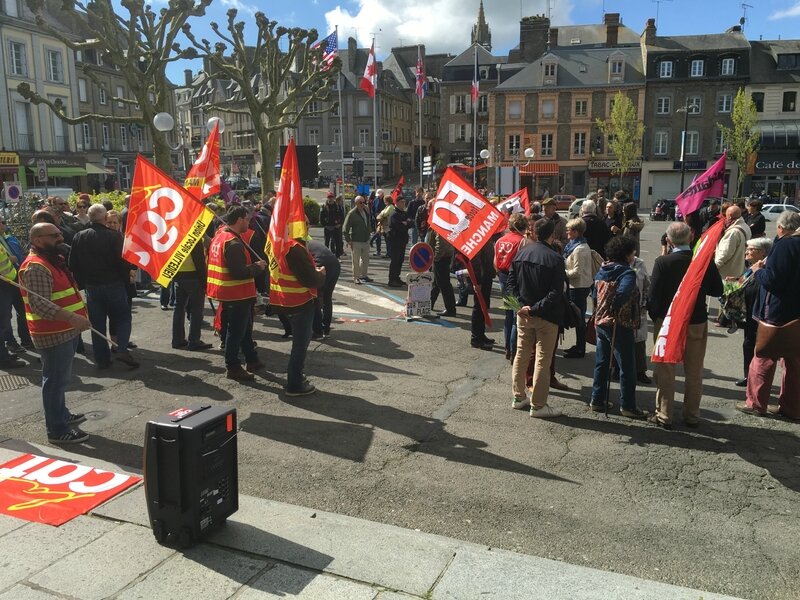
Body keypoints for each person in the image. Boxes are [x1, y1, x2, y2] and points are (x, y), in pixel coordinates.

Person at [18, 223, 92, 443]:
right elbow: (41, 306)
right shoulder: (37, 267)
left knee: (60, 379)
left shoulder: (51, 259)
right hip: (53, 333)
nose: (61, 237)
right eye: (55, 235)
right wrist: (72, 317)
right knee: (55, 381)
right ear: (39, 240)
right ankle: (57, 429)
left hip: (66, 331)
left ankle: (61, 414)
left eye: (60, 233)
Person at [648, 222, 723, 429]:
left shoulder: (663, 262)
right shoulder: (703, 261)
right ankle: (692, 415)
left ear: (669, 240)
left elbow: (653, 298)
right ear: (691, 238)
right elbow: (718, 290)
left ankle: (664, 414)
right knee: (694, 370)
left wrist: (656, 318)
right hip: (696, 320)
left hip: (668, 321)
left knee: (666, 369)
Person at [735, 211, 800, 419]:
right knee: (794, 360)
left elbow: (773, 280)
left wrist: (757, 270)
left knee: (763, 357)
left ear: (781, 228)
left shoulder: (784, 245)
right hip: (796, 312)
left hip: (777, 311)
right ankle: (792, 407)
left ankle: (755, 403)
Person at [69, 204, 139, 369]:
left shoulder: (79, 236)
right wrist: (127, 281)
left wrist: (83, 281)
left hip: (92, 287)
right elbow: (123, 263)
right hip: (114, 284)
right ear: (104, 218)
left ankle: (102, 359)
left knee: (97, 323)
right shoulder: (113, 236)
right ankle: (121, 349)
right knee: (123, 318)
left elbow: (72, 263)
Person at [507, 218, 564, 418]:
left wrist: (521, 307)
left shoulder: (521, 254)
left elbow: (510, 285)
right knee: (542, 359)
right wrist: (534, 309)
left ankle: (518, 396)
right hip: (545, 316)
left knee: (521, 355)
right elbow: (556, 292)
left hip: (524, 313)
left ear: (534, 232)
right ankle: (538, 405)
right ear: (552, 235)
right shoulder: (555, 258)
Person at [590, 235, 648, 418]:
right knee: (627, 366)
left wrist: (603, 308)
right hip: (619, 324)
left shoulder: (603, 270)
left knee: (602, 362)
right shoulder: (626, 272)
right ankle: (628, 406)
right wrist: (614, 307)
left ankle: (597, 400)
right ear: (626, 254)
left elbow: (594, 294)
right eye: (632, 252)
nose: (634, 254)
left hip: (601, 322)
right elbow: (624, 291)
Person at [206, 205, 266, 380]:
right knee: (236, 331)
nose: (249, 223)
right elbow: (239, 272)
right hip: (236, 293)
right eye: (247, 220)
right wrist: (257, 267)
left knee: (244, 329)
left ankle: (251, 358)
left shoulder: (221, 237)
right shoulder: (233, 243)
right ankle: (232, 366)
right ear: (240, 219)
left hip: (231, 292)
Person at [269, 228, 326, 396]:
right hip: (300, 302)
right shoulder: (294, 248)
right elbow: (309, 279)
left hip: (284, 300)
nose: (306, 227)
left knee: (298, 343)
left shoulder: (277, 245)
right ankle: (295, 383)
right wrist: (321, 274)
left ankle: (296, 378)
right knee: (300, 345)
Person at [735, 237, 773, 387]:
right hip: (749, 313)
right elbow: (745, 280)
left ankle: (753, 378)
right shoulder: (753, 266)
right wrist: (736, 280)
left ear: (762, 253)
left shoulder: (763, 269)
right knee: (748, 344)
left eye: (751, 249)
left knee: (753, 345)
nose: (747, 252)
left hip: (758, 315)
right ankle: (748, 376)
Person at [494, 214, 528, 359]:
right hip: (517, 280)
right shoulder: (523, 242)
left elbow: (495, 263)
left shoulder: (500, 240)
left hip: (502, 277)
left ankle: (507, 347)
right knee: (516, 316)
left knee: (508, 314)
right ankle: (514, 350)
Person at [0, 217, 33, 355]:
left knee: (23, 310)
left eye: (4, 222)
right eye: (1, 222)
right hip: (3, 284)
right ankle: (10, 344)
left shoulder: (7, 238)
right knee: (5, 317)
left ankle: (25, 340)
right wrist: (10, 259)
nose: (4, 225)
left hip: (15, 280)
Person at [172, 240, 212, 351]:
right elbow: (199, 261)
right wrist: (204, 281)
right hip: (194, 277)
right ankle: (194, 341)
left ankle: (177, 339)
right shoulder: (193, 237)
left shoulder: (176, 236)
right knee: (196, 310)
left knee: (178, 308)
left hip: (178, 276)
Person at [563, 218, 593, 359]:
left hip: (578, 287)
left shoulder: (580, 249)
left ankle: (580, 348)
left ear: (576, 232)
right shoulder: (573, 245)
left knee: (579, 318)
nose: (567, 232)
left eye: (569, 229)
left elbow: (576, 272)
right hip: (575, 286)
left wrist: (561, 273)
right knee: (577, 317)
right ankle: (579, 345)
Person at [308, 239, 340, 338]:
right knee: (327, 297)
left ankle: (317, 331)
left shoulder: (298, 245)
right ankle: (326, 329)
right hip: (335, 264)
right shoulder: (311, 242)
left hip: (322, 264)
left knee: (315, 297)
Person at [428, 223, 457, 317]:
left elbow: (441, 244)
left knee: (443, 284)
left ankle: (450, 309)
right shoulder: (440, 223)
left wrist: (435, 258)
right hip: (443, 256)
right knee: (436, 282)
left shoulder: (440, 224)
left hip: (441, 258)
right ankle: (429, 304)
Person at [714, 205, 751, 280]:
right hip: (738, 270)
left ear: (730, 216)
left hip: (727, 274)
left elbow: (725, 254)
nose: (724, 218)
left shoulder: (733, 232)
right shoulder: (745, 226)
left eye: (725, 216)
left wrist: (713, 267)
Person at [342, 195, 372, 284]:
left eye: (364, 202)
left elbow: (368, 222)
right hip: (356, 240)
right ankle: (356, 277)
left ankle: (364, 275)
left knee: (366, 259)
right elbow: (345, 228)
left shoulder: (366, 210)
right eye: (360, 203)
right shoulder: (352, 213)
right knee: (356, 260)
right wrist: (348, 240)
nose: (363, 204)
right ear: (356, 203)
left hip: (366, 239)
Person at [387, 196, 410, 287]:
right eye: (401, 202)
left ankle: (397, 277)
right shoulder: (394, 214)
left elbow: (410, 222)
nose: (403, 204)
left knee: (400, 260)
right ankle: (392, 279)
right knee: (395, 260)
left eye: (404, 202)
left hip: (402, 241)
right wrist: (404, 224)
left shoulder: (403, 213)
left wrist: (406, 223)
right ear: (396, 203)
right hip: (395, 241)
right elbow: (398, 227)